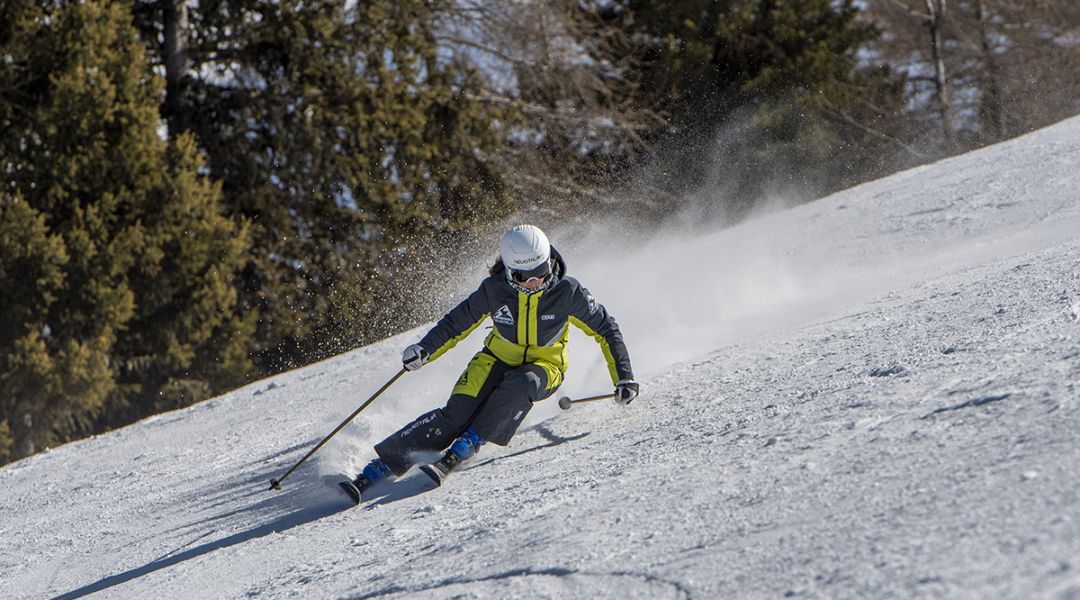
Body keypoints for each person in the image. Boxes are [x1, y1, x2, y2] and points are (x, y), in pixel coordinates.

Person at [341, 224, 638, 502]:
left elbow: (606, 328)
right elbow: (457, 322)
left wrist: (624, 377)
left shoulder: (567, 292)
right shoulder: (495, 290)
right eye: (525, 277)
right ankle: (379, 468)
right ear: (510, 272)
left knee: (523, 384)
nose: (535, 281)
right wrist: (425, 350)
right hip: (495, 358)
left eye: (542, 270)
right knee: (454, 416)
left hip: (545, 366)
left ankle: (469, 443)